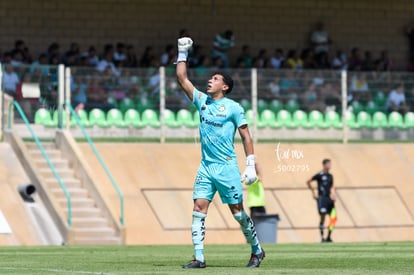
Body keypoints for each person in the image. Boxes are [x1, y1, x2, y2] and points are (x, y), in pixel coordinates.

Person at [176, 37, 265, 269]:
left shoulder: (234, 108)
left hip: (226, 167)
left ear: (224, 87)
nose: (210, 80)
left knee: (237, 213)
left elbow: (246, 136)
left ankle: (257, 250)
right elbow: (182, 78)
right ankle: (199, 258)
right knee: (198, 208)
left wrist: (251, 165)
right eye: (211, 78)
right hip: (206, 166)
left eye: (215, 79)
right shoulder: (202, 101)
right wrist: (182, 53)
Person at [306, 159, 337, 243]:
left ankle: (329, 237)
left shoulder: (330, 176)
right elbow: (308, 181)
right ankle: (322, 237)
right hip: (322, 199)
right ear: (324, 165)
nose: (330, 165)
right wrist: (313, 192)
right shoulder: (319, 175)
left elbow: (331, 187)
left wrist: (333, 195)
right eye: (328, 164)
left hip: (329, 199)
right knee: (322, 217)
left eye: (330, 164)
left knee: (333, 218)